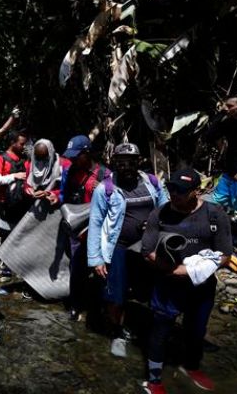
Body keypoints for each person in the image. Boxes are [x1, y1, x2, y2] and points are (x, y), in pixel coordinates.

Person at [140, 168, 232, 394]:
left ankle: (191, 366)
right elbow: (147, 250)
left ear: (196, 192)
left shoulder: (215, 214)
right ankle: (153, 379)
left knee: (197, 330)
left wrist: (192, 270)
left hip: (201, 287)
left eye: (181, 191)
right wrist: (173, 270)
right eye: (171, 188)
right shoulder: (159, 214)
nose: (174, 194)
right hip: (167, 285)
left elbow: (225, 254)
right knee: (160, 330)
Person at [87, 143, 169, 357]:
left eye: (130, 161)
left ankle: (150, 332)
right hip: (118, 248)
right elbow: (95, 224)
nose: (126, 166)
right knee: (117, 293)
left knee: (150, 290)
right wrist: (96, 259)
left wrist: (154, 222)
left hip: (148, 246)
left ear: (139, 161)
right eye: (121, 161)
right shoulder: (104, 189)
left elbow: (166, 209)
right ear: (114, 162)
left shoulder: (152, 183)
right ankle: (117, 333)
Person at [60, 134, 110, 321]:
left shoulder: (105, 175)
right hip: (78, 233)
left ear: (87, 153)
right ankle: (75, 305)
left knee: (100, 272)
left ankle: (99, 309)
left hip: (98, 233)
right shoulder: (71, 171)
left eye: (76, 155)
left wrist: (103, 190)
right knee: (77, 270)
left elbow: (115, 202)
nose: (72, 159)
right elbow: (64, 196)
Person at [208, 95, 237, 260]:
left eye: (230, 106)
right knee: (217, 203)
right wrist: (220, 116)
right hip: (229, 171)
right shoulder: (229, 122)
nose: (225, 108)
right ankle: (219, 237)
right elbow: (210, 136)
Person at [0, 131, 30, 241]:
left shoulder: (24, 158)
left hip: (21, 203)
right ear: (12, 143)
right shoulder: (0, 158)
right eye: (21, 144)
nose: (24, 147)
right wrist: (14, 176)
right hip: (6, 204)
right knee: (7, 237)